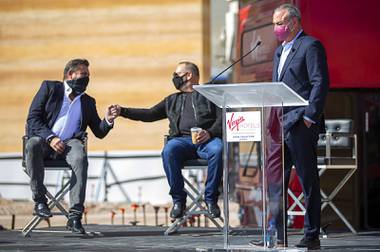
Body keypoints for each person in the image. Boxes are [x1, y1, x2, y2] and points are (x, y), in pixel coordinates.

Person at [251, 4, 329, 250]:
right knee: (275, 182)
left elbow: (320, 82)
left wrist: (310, 116)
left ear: (293, 22)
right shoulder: (278, 52)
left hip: (300, 123)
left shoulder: (310, 46)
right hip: (278, 125)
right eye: (274, 23)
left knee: (308, 181)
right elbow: (277, 89)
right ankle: (277, 235)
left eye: (279, 23)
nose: (275, 28)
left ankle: (311, 234)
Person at [115, 61, 223, 219]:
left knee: (218, 149)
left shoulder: (209, 95)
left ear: (188, 75)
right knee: (169, 151)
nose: (174, 78)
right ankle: (179, 201)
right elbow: (149, 114)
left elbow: (223, 118)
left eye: (176, 75)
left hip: (206, 141)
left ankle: (211, 199)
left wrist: (211, 132)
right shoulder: (171, 100)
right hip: (181, 141)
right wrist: (122, 111)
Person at [25, 58, 118, 234]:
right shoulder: (50, 88)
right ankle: (40, 201)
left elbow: (98, 131)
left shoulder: (88, 101)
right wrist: (51, 138)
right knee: (33, 143)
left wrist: (108, 120)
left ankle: (74, 216)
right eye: (83, 74)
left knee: (80, 157)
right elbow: (33, 119)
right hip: (45, 142)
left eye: (88, 75)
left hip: (69, 144)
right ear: (70, 74)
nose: (87, 78)